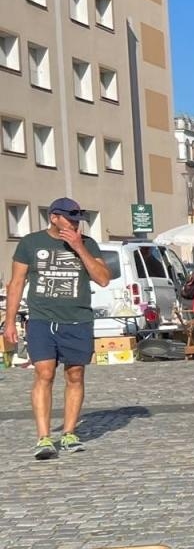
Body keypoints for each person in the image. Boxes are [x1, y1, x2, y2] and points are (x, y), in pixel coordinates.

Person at [3, 197, 113, 459]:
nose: (75, 223)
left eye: (77, 219)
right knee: (44, 372)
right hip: (42, 318)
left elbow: (103, 279)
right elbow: (16, 284)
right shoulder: (30, 243)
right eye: (70, 218)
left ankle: (69, 433)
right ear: (54, 217)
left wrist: (78, 247)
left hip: (77, 319)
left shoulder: (87, 243)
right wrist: (9, 322)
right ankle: (43, 437)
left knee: (75, 374)